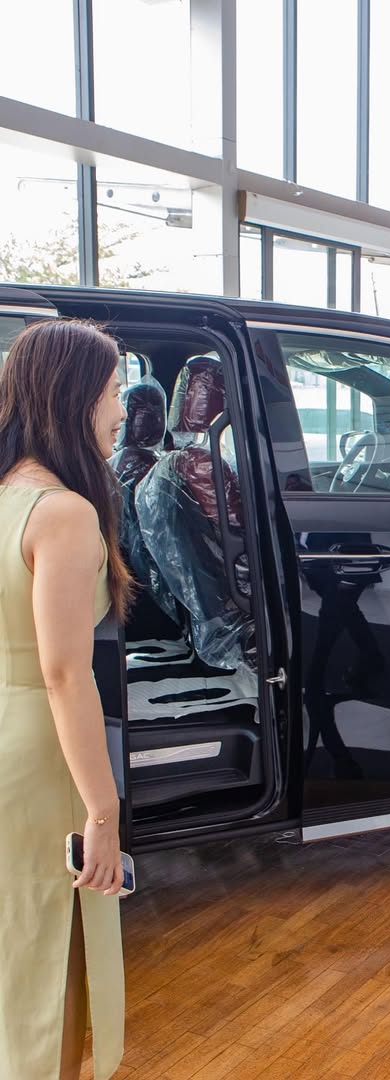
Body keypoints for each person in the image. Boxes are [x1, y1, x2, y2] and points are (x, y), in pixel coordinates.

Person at [0, 319, 133, 1079]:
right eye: (114, 391)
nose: (122, 410)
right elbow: (63, 673)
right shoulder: (63, 513)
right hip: (38, 756)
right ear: (76, 396)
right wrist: (102, 814)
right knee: (50, 960)